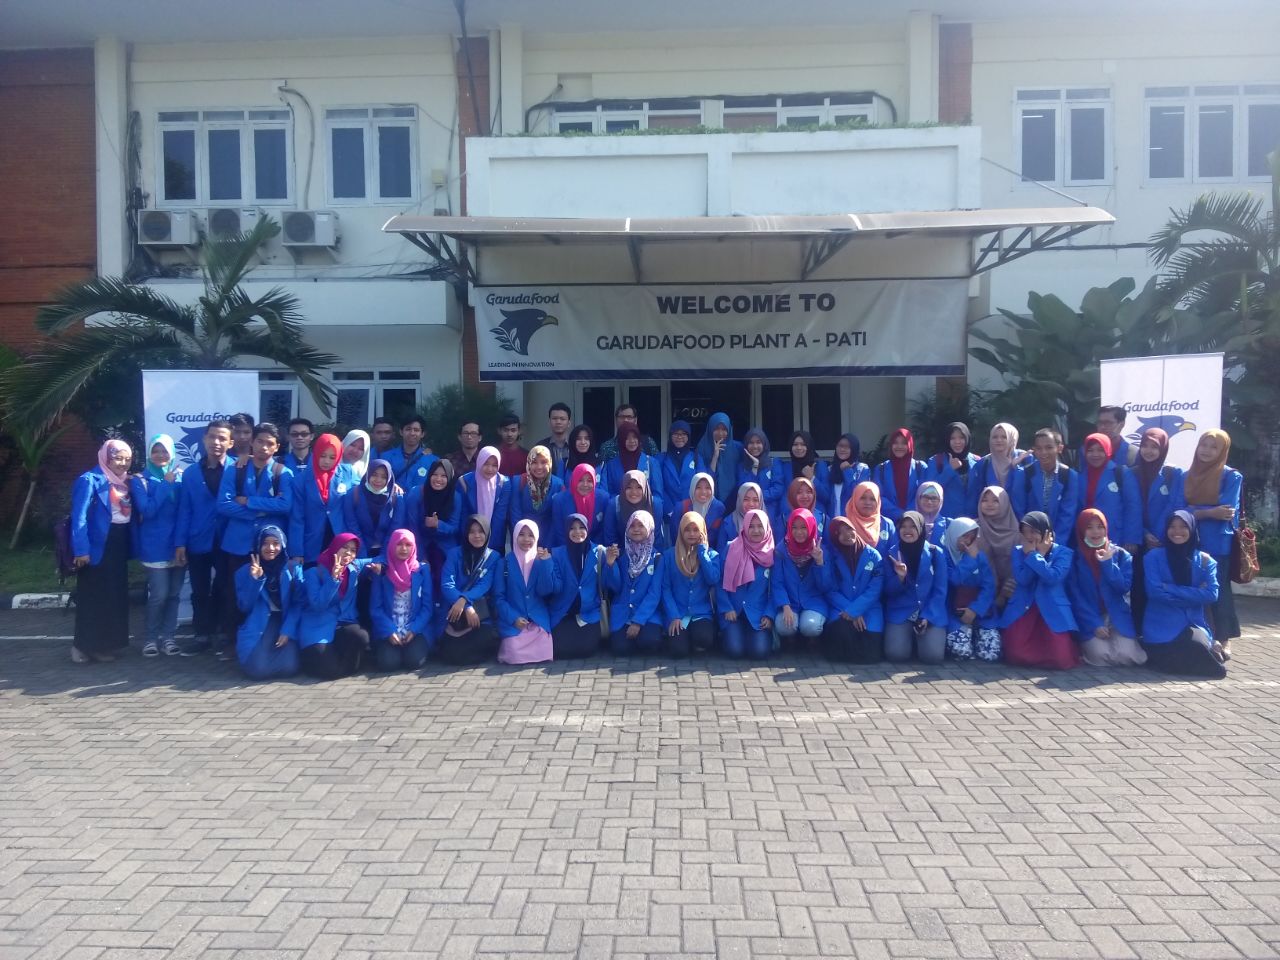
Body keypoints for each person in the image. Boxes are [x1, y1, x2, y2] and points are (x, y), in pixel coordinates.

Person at [217, 422, 293, 657]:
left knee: (268, 593)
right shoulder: (235, 470)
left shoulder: (283, 473)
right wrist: (262, 511)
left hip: (270, 546)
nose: (264, 447)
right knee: (235, 593)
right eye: (260, 441)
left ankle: (264, 641)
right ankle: (233, 641)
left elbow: (286, 505)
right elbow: (223, 504)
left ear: (277, 447)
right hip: (238, 544)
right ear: (252, 442)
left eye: (270, 443)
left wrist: (250, 502)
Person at [1174, 428, 1241, 657]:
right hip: (1188, 539)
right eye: (1204, 445)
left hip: (1217, 542)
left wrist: (1194, 510)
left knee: (1218, 589)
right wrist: (1208, 512)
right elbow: (1178, 508)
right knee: (1193, 587)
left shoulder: (1231, 476)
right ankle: (1199, 634)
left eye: (1214, 447)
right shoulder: (1185, 476)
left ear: (1223, 451)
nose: (1207, 451)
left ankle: (1224, 637)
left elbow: (1227, 510)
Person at [69, 439, 135, 663]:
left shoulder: (126, 482)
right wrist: (81, 550)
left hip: (118, 544)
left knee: (114, 596)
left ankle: (109, 644)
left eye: (127, 459)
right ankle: (85, 647)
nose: (123, 463)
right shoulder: (90, 480)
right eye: (118, 458)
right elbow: (79, 518)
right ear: (106, 458)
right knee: (94, 598)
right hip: (96, 547)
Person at [1141, 511, 1227, 678]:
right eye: (1172, 527)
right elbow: (1154, 593)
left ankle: (1210, 650)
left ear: (1192, 529)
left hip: (1192, 624)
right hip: (1161, 627)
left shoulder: (1206, 561)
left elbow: (1212, 594)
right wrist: (1196, 596)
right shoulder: (1153, 557)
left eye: (1183, 527)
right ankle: (1211, 653)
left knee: (1196, 647)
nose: (1177, 531)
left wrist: (1170, 588)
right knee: (1184, 652)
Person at [175, 419, 232, 656]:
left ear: (230, 443)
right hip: (198, 539)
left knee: (225, 588)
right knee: (199, 590)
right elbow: (185, 510)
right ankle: (201, 635)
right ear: (204, 439)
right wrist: (180, 543)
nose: (216, 442)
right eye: (212, 437)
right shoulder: (190, 473)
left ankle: (223, 632)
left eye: (222, 438)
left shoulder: (238, 469)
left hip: (228, 539)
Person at [998, 511, 1080, 670]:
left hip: (1052, 609)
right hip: (1025, 608)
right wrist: (1034, 554)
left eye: (1034, 531)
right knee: (1015, 653)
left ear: (1046, 532)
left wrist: (1037, 556)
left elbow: (1052, 578)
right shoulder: (1018, 551)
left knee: (1060, 659)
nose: (1030, 536)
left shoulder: (1063, 553)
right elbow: (1023, 579)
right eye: (1025, 532)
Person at [1067, 508, 1146, 666]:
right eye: (1089, 527)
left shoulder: (1121, 555)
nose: (1096, 532)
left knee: (1126, 656)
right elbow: (1076, 597)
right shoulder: (1074, 559)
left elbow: (1122, 588)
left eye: (1100, 527)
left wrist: (1108, 563)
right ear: (1081, 530)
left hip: (1116, 616)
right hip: (1089, 616)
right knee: (1101, 655)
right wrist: (1094, 624)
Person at [131, 434, 185, 657]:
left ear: (172, 453)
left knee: (174, 595)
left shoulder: (181, 478)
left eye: (165, 451)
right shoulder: (140, 480)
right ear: (149, 453)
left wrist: (182, 543)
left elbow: (185, 512)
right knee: (159, 595)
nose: (160, 455)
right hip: (154, 546)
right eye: (156, 450)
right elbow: (147, 510)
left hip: (178, 545)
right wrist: (165, 484)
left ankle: (169, 638)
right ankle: (151, 639)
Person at [297, 532, 379, 679]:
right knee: (330, 669)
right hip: (318, 625)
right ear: (335, 547)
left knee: (361, 637)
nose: (348, 553)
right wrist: (334, 579)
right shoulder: (313, 573)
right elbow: (318, 605)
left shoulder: (354, 567)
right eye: (344, 547)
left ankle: (340, 665)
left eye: (353, 550)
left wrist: (381, 566)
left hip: (342, 622)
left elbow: (382, 558)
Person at [233, 525, 302, 681]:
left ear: (282, 545)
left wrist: (288, 630)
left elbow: (297, 604)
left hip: (285, 620)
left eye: (275, 543)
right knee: (258, 670)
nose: (270, 548)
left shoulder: (293, 568)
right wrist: (255, 580)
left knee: (290, 667)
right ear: (258, 545)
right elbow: (244, 606)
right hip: (259, 621)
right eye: (265, 543)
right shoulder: (244, 571)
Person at [883, 511, 949, 664]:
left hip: (929, 611)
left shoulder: (935, 553)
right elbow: (888, 591)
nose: (907, 530)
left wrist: (927, 616)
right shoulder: (891, 554)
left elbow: (940, 590)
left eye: (913, 526)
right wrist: (900, 578)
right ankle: (908, 640)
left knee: (932, 657)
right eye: (903, 526)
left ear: (920, 528)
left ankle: (918, 639)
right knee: (896, 655)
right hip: (901, 611)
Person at [1132, 427, 1181, 631]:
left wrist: (1159, 535)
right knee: (1138, 586)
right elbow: (1131, 506)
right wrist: (1144, 533)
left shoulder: (1173, 473)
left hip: (1164, 540)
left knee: (1160, 585)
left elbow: (1175, 504)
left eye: (1154, 447)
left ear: (1163, 449)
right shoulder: (1132, 472)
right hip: (1139, 539)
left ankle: (1161, 631)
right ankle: (1138, 631)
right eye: (1145, 445)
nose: (1148, 451)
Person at [438, 516, 502, 664]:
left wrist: (465, 600)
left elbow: (484, 585)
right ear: (466, 534)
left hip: (480, 615)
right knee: (448, 652)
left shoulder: (493, 557)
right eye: (472, 532)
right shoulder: (454, 554)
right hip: (456, 613)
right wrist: (465, 605)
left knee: (484, 638)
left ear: (487, 533)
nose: (477, 535)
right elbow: (447, 584)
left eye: (481, 531)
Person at [495, 519, 559, 665]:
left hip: (537, 621)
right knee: (513, 650)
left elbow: (546, 591)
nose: (526, 539)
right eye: (521, 534)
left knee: (544, 648)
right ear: (514, 536)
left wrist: (546, 564)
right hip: (514, 623)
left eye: (531, 535)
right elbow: (498, 598)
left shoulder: (541, 560)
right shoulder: (503, 563)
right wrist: (514, 618)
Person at [368, 528, 432, 671]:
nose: (404, 549)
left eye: (408, 545)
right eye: (399, 544)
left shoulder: (422, 570)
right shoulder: (382, 571)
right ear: (392, 545)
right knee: (388, 663)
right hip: (389, 628)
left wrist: (414, 629)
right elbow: (376, 608)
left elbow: (427, 608)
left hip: (415, 628)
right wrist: (389, 630)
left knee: (414, 661)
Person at [824, 516, 885, 663]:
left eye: (849, 529)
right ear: (835, 537)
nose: (847, 535)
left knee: (871, 654)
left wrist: (856, 610)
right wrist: (850, 611)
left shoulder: (873, 556)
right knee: (839, 642)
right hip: (841, 608)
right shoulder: (832, 556)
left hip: (869, 609)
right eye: (840, 532)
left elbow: (875, 590)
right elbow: (829, 589)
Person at [602, 510, 664, 656]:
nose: (636, 529)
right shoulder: (620, 555)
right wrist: (610, 565)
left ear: (649, 528)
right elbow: (615, 588)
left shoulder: (657, 558)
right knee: (620, 649)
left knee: (650, 642)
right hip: (622, 614)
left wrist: (638, 621)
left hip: (647, 615)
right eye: (632, 525)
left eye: (641, 525)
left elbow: (654, 594)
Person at [659, 511, 721, 657]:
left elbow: (712, 579)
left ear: (702, 531)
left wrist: (702, 553)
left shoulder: (712, 555)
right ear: (681, 531)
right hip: (678, 612)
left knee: (704, 639)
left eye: (696, 530)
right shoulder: (669, 556)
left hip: (701, 612)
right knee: (678, 651)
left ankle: (694, 638)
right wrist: (673, 615)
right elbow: (666, 589)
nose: (692, 534)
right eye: (687, 530)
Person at [717, 508, 776, 659]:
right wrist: (726, 607)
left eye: (760, 526)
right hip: (733, 612)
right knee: (735, 651)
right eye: (751, 526)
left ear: (767, 527)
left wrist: (769, 615)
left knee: (759, 652)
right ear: (744, 527)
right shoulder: (731, 547)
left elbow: (776, 588)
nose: (756, 530)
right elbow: (719, 581)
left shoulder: (772, 553)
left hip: (758, 613)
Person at [288, 433, 353, 564]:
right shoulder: (300, 480)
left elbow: (363, 489)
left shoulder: (347, 472)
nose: (327, 461)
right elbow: (297, 518)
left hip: (339, 537)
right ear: (316, 453)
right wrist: (297, 552)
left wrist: (390, 486)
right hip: (312, 541)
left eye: (332, 457)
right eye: (323, 455)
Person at [942, 518, 999, 662]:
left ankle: (977, 633)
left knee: (990, 653)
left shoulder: (980, 556)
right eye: (964, 536)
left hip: (980, 612)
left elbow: (989, 586)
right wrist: (971, 560)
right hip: (954, 612)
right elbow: (954, 580)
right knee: (961, 652)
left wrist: (975, 609)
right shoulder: (943, 556)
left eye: (972, 537)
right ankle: (967, 635)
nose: (968, 541)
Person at [548, 513, 605, 659]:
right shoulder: (556, 554)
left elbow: (612, 585)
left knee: (587, 649)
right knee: (560, 649)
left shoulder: (599, 552)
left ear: (587, 529)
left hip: (589, 613)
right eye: (572, 528)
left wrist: (611, 565)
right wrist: (544, 564)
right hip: (563, 612)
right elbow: (554, 587)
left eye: (581, 527)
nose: (577, 532)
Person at [773, 507, 831, 649]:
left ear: (811, 527)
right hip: (790, 601)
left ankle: (812, 639)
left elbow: (826, 586)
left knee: (810, 626)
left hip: (813, 602)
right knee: (784, 626)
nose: (799, 532)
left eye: (804, 527)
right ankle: (791, 637)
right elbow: (777, 582)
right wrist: (785, 605)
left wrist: (819, 563)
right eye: (794, 527)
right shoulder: (781, 550)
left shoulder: (821, 550)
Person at [1011, 428, 1080, 546]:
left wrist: (1055, 545)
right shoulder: (1024, 474)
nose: (1043, 452)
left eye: (1049, 447)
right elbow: (1019, 509)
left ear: (1059, 448)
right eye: (1039, 448)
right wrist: (1031, 538)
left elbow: (1067, 514)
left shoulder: (1069, 476)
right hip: (1029, 539)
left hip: (1059, 541)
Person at [1079, 433, 1142, 553]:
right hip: (1086, 538)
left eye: (1100, 450)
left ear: (1108, 450)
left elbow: (1133, 506)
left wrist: (1131, 538)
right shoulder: (1080, 476)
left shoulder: (1121, 473)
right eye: (1090, 450)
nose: (1095, 454)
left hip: (1116, 537)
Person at [406, 458, 461, 593]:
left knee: (444, 580)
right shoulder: (417, 493)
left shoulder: (455, 497)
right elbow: (412, 528)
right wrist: (421, 556)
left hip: (444, 547)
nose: (438, 479)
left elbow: (455, 527)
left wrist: (438, 524)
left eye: (443, 476)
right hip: (420, 544)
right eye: (435, 474)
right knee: (421, 577)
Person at [340, 459, 404, 560]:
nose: (378, 480)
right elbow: (352, 526)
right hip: (356, 551)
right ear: (368, 474)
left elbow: (395, 529)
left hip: (386, 552)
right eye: (374, 474)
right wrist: (362, 557)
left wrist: (382, 558)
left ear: (389, 478)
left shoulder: (396, 498)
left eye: (384, 477)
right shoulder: (353, 494)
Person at [976, 485, 1019, 626]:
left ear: (1005, 503)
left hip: (1011, 592)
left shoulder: (1017, 532)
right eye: (985, 500)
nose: (989, 504)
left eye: (995, 500)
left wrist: (1003, 594)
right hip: (981, 591)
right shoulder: (974, 528)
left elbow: (1018, 566)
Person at [456, 446, 512, 551]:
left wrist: (488, 548)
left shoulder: (504, 483)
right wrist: (471, 540)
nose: (490, 469)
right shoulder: (464, 482)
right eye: (486, 464)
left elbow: (499, 518)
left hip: (494, 542)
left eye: (494, 465)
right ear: (479, 462)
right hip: (469, 539)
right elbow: (463, 516)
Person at [509, 445, 564, 545]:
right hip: (523, 538)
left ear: (550, 463)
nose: (539, 467)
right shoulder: (518, 482)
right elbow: (515, 514)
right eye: (534, 462)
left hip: (548, 538)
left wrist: (547, 547)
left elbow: (556, 520)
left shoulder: (558, 485)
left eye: (543, 462)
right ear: (529, 463)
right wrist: (521, 538)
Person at [966, 422, 1024, 517]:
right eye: (995, 437)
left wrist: (1015, 469)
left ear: (1012, 439)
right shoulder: (983, 464)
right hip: (990, 521)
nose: (999, 440)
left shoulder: (1025, 460)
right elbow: (974, 497)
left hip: (1019, 519)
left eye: (1004, 437)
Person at [925, 422, 979, 520]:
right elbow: (929, 491)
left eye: (961, 437)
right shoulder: (936, 461)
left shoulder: (978, 461)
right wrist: (950, 469)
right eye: (952, 438)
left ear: (967, 438)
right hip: (946, 521)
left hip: (973, 521)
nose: (957, 442)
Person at [600, 422, 663, 504]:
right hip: (620, 509)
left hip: (646, 509)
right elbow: (609, 493)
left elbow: (658, 495)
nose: (632, 441)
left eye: (634, 437)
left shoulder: (651, 463)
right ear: (621, 440)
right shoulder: (611, 465)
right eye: (627, 438)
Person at [603, 469, 667, 550]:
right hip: (622, 552)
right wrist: (619, 555)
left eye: (639, 487)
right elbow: (610, 539)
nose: (634, 492)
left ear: (644, 487)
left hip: (650, 552)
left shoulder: (654, 505)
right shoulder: (614, 505)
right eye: (629, 487)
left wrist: (654, 556)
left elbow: (656, 537)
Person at [874, 427, 928, 523]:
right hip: (888, 521)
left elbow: (924, 495)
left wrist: (908, 514)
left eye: (904, 443)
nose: (899, 446)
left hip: (914, 521)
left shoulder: (920, 467)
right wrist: (900, 514)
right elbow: (878, 496)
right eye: (895, 443)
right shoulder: (881, 469)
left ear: (910, 445)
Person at [550, 462, 605, 549]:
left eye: (589, 481)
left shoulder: (603, 498)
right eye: (580, 480)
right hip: (566, 548)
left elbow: (602, 531)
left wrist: (592, 551)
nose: (585, 484)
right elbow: (559, 532)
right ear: (574, 480)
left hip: (594, 549)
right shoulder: (559, 500)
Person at [695, 412, 743, 505]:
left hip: (735, 499)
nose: (720, 433)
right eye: (716, 429)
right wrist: (715, 456)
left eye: (724, 429)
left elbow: (743, 475)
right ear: (710, 429)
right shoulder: (702, 449)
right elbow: (703, 480)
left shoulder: (738, 448)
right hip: (708, 500)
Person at [659, 420, 703, 520]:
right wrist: (670, 510)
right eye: (676, 433)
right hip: (668, 515)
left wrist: (692, 508)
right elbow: (659, 487)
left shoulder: (696, 458)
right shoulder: (661, 459)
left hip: (692, 513)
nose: (679, 437)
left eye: (683, 434)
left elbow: (702, 483)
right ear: (670, 436)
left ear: (688, 436)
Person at [668, 472, 725, 547]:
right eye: (698, 488)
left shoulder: (719, 508)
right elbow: (675, 537)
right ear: (692, 488)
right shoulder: (681, 508)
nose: (703, 492)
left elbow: (719, 540)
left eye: (708, 488)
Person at [776, 431, 830, 510]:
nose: (799, 448)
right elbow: (784, 496)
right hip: (792, 514)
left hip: (815, 515)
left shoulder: (819, 466)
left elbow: (826, 497)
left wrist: (812, 478)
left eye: (803, 444)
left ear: (809, 446)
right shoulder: (786, 467)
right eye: (795, 444)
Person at [844, 481, 898, 558]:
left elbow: (894, 555)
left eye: (872, 499)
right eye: (863, 498)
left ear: (878, 501)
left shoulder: (887, 525)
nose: (867, 502)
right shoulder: (845, 523)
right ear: (855, 499)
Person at [384, 414, 437, 493]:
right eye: (408, 429)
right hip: (393, 500)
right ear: (401, 432)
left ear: (422, 434)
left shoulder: (433, 461)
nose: (412, 433)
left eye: (416, 430)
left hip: (419, 500)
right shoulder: (386, 457)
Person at [736, 428, 782, 518]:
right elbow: (743, 490)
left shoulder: (774, 463)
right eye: (751, 443)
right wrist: (754, 467)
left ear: (764, 444)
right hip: (748, 513)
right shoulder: (741, 466)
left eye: (758, 442)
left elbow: (778, 489)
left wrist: (757, 497)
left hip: (770, 513)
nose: (755, 446)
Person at [826, 432, 869, 519]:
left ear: (853, 449)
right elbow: (826, 497)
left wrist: (847, 471)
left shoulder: (862, 469)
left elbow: (858, 495)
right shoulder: (830, 469)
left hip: (852, 521)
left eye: (847, 447)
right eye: (840, 446)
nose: (842, 449)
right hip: (832, 520)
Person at [718, 481, 764, 553]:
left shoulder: (765, 523)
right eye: (746, 499)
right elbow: (721, 551)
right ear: (739, 500)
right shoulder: (728, 523)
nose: (751, 504)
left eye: (755, 500)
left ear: (760, 501)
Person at [782, 476, 828, 545]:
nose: (805, 496)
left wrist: (819, 551)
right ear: (792, 495)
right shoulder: (783, 519)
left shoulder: (823, 519)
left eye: (809, 492)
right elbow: (779, 548)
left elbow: (830, 547)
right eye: (799, 492)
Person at [537, 402, 574, 478]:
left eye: (562, 419)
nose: (558, 422)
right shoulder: (540, 446)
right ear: (549, 422)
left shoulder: (576, 445)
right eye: (554, 418)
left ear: (569, 423)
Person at [914, 481, 949, 548]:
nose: (929, 502)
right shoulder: (907, 522)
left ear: (941, 500)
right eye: (925, 497)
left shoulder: (948, 525)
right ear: (918, 498)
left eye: (934, 498)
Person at [496, 414, 528, 478]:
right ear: (499, 431)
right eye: (505, 430)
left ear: (519, 431)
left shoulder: (526, 455)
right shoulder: (494, 454)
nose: (509, 434)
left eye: (513, 430)